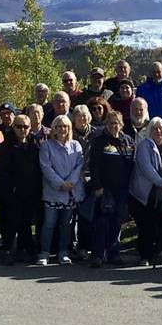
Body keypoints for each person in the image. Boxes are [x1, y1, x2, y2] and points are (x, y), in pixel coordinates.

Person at [129, 117, 162, 266]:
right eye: (154, 128)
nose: (158, 131)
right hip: (148, 192)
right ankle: (146, 256)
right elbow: (146, 169)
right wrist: (161, 182)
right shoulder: (144, 146)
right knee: (147, 226)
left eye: (160, 128)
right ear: (149, 131)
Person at [37, 115, 85, 266]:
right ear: (54, 128)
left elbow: (79, 165)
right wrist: (60, 183)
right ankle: (44, 252)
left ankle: (63, 252)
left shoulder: (76, 145)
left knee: (66, 225)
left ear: (69, 128)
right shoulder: (47, 146)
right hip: (53, 192)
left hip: (70, 192)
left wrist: (70, 182)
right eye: (58, 126)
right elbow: (46, 168)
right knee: (49, 224)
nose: (62, 129)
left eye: (65, 126)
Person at [90, 111, 135, 267]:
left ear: (121, 124)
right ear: (106, 125)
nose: (114, 126)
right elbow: (93, 166)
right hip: (105, 189)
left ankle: (114, 254)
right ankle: (98, 255)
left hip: (123, 189)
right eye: (110, 123)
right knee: (102, 222)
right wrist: (97, 186)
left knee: (117, 222)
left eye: (116, 123)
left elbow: (132, 166)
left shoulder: (128, 141)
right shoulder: (99, 142)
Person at [0, 114, 42, 265]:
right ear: (14, 127)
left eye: (25, 127)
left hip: (31, 190)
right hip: (12, 191)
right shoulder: (6, 145)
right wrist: (11, 187)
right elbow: (1, 170)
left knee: (26, 222)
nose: (22, 130)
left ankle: (24, 249)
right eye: (19, 126)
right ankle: (7, 250)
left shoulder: (35, 143)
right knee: (12, 221)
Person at [72, 105, 98, 258]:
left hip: (93, 178)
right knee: (75, 215)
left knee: (90, 214)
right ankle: (78, 246)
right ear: (74, 119)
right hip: (74, 178)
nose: (82, 119)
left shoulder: (97, 134)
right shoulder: (69, 133)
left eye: (84, 116)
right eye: (79, 116)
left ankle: (91, 246)